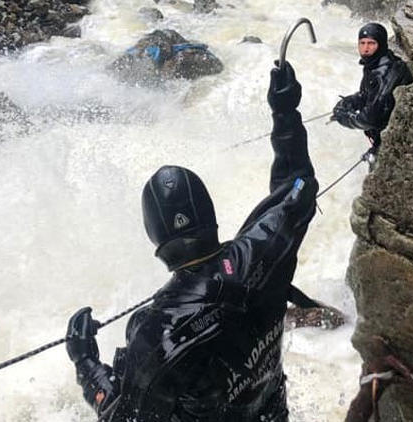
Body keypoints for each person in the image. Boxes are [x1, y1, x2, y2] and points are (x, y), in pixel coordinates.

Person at [66, 60, 319, 421]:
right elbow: (298, 185)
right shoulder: (263, 247)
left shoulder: (158, 333)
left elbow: (124, 417)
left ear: (155, 237)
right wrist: (285, 111)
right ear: (209, 214)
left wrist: (86, 363)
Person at [331, 22, 413, 157]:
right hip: (386, 136)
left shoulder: (384, 72)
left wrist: (345, 118)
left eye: (371, 43)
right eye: (362, 43)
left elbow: (370, 119)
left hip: (396, 141)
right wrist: (349, 102)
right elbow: (368, 95)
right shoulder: (377, 63)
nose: (365, 48)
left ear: (380, 44)